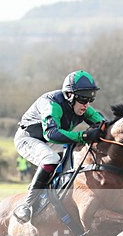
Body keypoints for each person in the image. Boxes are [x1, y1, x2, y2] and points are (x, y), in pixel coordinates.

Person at [13, 70, 107, 223]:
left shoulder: (81, 107)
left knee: (79, 154)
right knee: (50, 158)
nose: (87, 104)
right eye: (83, 98)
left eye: (90, 98)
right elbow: (52, 134)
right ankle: (26, 204)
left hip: (50, 141)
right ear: (69, 95)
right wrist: (83, 136)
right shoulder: (52, 104)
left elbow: (104, 125)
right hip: (29, 138)